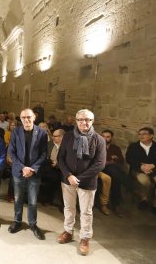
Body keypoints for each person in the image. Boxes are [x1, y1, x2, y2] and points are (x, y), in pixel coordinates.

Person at [56, 109, 106, 256]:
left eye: (88, 120)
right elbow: (61, 158)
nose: (84, 122)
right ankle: (68, 231)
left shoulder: (99, 140)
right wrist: (69, 175)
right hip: (68, 180)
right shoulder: (68, 137)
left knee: (86, 212)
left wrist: (80, 178)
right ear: (76, 121)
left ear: (92, 121)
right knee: (69, 208)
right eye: (81, 120)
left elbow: (100, 164)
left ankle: (84, 238)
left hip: (87, 182)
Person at [8, 108, 48, 240]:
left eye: (28, 117)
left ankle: (33, 224)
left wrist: (32, 169)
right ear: (20, 119)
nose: (26, 120)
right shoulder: (15, 132)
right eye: (23, 117)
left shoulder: (42, 133)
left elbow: (44, 154)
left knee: (33, 201)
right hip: (19, 172)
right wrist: (23, 168)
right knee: (18, 199)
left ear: (34, 118)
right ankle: (17, 222)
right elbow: (12, 152)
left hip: (34, 173)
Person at [99, 129, 132, 217]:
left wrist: (112, 160)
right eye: (103, 136)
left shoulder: (115, 148)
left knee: (115, 179)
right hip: (100, 169)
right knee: (114, 170)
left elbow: (120, 160)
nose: (105, 138)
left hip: (112, 169)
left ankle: (116, 206)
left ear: (111, 138)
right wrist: (111, 160)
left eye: (107, 137)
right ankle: (117, 204)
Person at [126, 127, 156, 214]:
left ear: (151, 135)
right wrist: (141, 167)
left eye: (144, 134)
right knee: (144, 181)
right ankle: (144, 199)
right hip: (138, 170)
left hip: (154, 170)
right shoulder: (133, 146)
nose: (141, 136)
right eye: (139, 134)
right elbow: (129, 159)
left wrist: (153, 165)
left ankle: (154, 203)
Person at [39, 129, 65, 208]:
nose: (52, 137)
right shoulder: (49, 144)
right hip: (48, 167)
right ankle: (46, 199)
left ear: (61, 137)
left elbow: (68, 159)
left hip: (62, 169)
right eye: (52, 136)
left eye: (55, 136)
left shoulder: (66, 146)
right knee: (50, 179)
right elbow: (42, 156)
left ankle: (60, 201)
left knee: (60, 180)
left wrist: (58, 164)